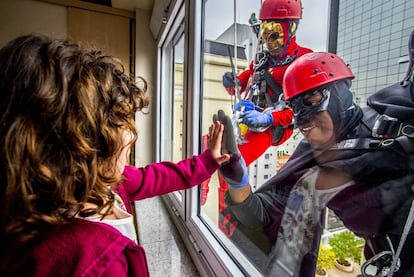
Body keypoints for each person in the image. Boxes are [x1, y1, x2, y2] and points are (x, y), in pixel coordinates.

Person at [0, 34, 230, 276]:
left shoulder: (104, 184)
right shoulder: (93, 263)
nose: (131, 136)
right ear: (79, 142)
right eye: (119, 123)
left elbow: (159, 176)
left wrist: (207, 161)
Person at [217, 52, 414, 276]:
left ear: (340, 95)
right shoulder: (312, 155)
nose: (302, 119)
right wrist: (236, 179)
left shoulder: (393, 127)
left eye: (310, 102)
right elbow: (261, 217)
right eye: (294, 108)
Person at [206, 0, 314, 239]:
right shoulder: (262, 60)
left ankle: (230, 227)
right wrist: (231, 81)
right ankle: (199, 186)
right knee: (210, 140)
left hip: (274, 127)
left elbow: (297, 111)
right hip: (252, 116)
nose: (270, 41)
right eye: (265, 33)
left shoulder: (303, 61)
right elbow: (241, 84)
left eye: (275, 33)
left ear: (291, 29)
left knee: (231, 163)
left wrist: (268, 117)